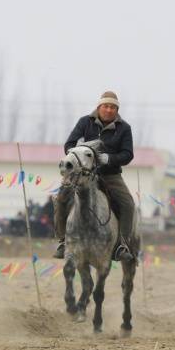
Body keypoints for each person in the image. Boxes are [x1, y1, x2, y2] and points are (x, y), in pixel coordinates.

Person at [52, 91, 136, 262]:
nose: (109, 109)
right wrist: (79, 155)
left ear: (117, 110)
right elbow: (69, 145)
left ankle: (122, 245)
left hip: (110, 175)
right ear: (99, 107)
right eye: (106, 106)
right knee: (60, 199)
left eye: (113, 107)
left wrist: (109, 159)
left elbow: (128, 154)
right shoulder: (85, 122)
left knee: (128, 204)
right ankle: (62, 241)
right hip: (82, 174)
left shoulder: (124, 128)